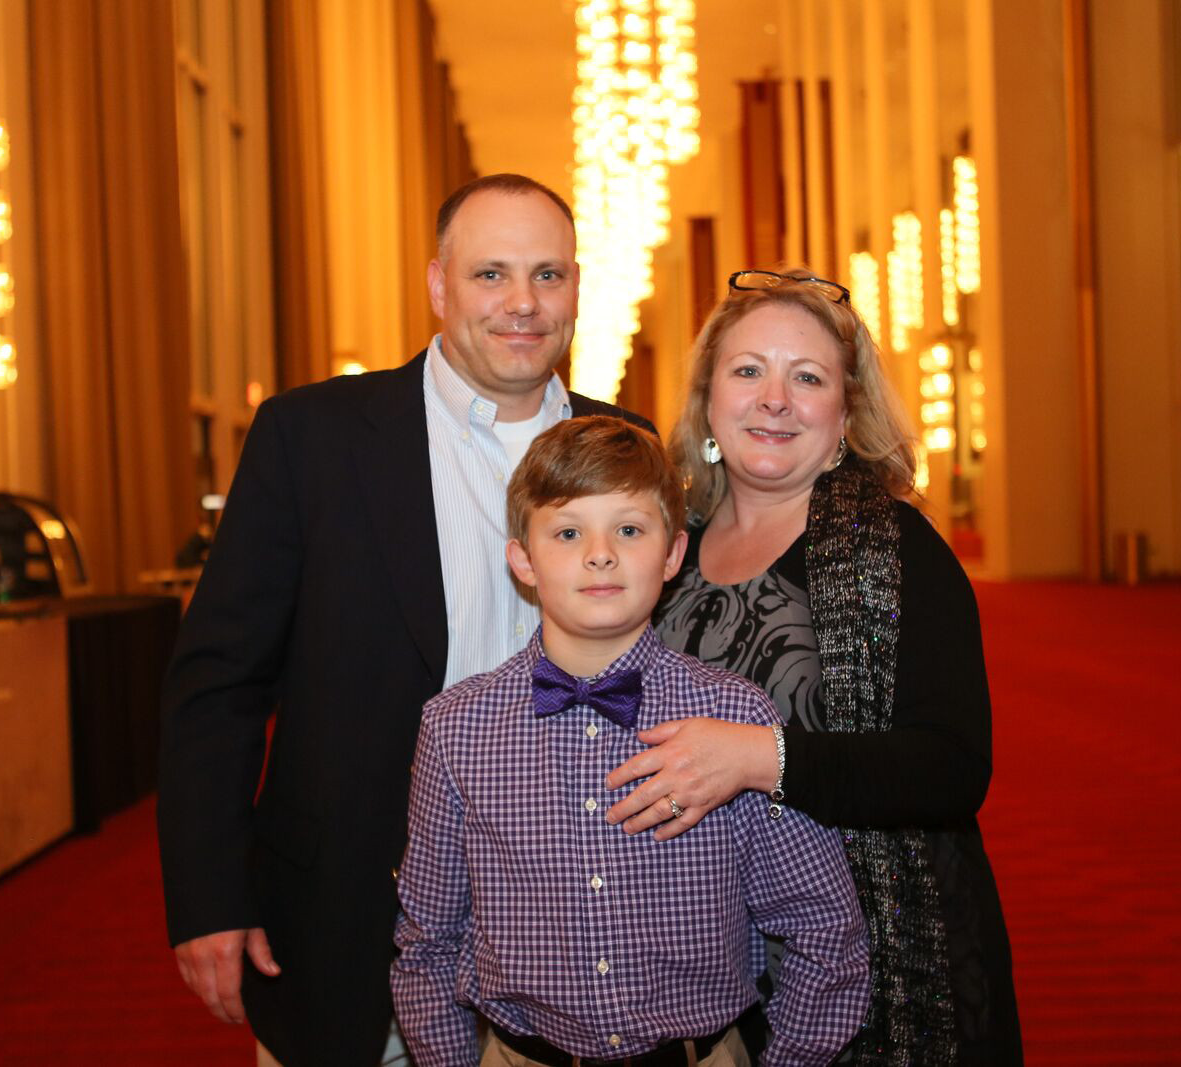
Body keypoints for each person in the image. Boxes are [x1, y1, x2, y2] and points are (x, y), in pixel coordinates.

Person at [158, 174, 650, 1066]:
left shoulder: (632, 448)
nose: (523, 303)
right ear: (437, 285)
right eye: (490, 274)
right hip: (352, 920)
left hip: (588, 924)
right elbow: (220, 683)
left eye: (547, 274)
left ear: (576, 287)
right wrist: (209, 893)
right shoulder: (310, 437)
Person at [607, 269, 1023, 1064]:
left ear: (844, 417)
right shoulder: (665, 552)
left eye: (807, 378)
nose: (775, 399)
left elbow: (952, 767)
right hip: (696, 968)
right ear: (708, 399)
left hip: (872, 970)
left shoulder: (899, 552)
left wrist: (759, 757)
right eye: (748, 370)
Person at [392, 415, 871, 1067]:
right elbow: (428, 944)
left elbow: (823, 924)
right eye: (568, 532)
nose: (600, 554)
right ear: (523, 560)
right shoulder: (456, 728)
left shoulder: (735, 713)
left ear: (672, 554)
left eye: (629, 529)